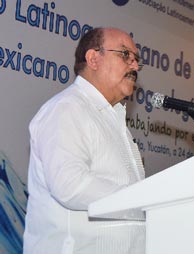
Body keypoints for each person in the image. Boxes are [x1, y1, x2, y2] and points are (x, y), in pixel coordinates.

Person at [23, 27, 146, 254]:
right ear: (93, 59)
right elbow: (70, 185)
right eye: (125, 55)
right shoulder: (67, 109)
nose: (135, 66)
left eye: (137, 60)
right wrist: (143, 200)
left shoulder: (114, 120)